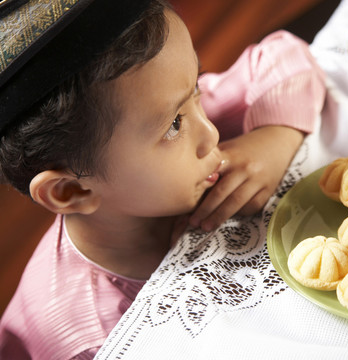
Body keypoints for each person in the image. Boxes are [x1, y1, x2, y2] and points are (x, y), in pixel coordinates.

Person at [0, 0, 326, 358]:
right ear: (72, 190)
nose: (211, 134)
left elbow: (281, 55)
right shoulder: (100, 342)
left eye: (196, 89)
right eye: (174, 125)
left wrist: (274, 137)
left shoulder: (172, 112)